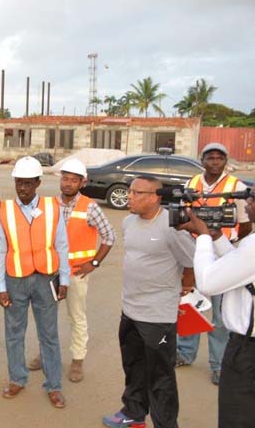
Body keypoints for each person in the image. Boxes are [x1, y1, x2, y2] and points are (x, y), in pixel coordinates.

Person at [102, 176, 195, 428]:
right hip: (130, 310)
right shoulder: (128, 222)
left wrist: (186, 286)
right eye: (130, 191)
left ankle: (165, 424)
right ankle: (133, 413)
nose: (129, 196)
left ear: (155, 197)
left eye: (136, 192)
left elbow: (192, 260)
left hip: (158, 317)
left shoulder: (171, 227)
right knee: (133, 367)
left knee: (160, 376)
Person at [0, 156, 70, 408]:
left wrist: (64, 279)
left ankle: (54, 385)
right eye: (18, 183)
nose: (22, 189)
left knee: (49, 334)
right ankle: (17, 379)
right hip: (15, 281)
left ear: (37, 183)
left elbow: (62, 244)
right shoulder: (4, 210)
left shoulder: (53, 208)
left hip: (46, 279)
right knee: (14, 333)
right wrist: (1, 287)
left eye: (27, 183)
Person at [28, 159, 116, 382]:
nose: (68, 183)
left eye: (73, 180)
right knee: (46, 317)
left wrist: (94, 263)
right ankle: (45, 354)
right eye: (65, 178)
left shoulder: (90, 206)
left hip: (77, 273)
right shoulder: (48, 205)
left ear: (82, 182)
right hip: (50, 272)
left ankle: (77, 360)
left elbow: (109, 236)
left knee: (76, 317)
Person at [175, 142, 251, 385]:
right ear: (202, 160)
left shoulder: (236, 186)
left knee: (220, 314)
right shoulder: (191, 184)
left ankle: (218, 365)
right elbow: (182, 215)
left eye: (220, 158)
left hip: (222, 253)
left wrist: (229, 243)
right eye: (211, 157)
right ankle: (185, 353)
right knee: (191, 305)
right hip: (194, 251)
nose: (215, 162)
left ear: (226, 162)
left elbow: (245, 222)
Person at [180, 191, 255, 428]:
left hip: (248, 351)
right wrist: (216, 237)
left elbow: (208, 282)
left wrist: (202, 238)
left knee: (237, 418)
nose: (248, 204)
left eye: (252, 200)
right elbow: (241, 268)